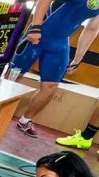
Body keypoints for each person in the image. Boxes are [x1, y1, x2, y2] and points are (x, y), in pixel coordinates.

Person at [11, 0, 99, 138]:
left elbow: (92, 29)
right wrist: (36, 27)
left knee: (50, 86)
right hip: (39, 34)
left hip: (60, 43)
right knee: (13, 75)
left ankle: (25, 120)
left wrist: (77, 59)